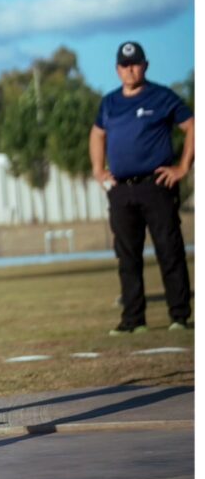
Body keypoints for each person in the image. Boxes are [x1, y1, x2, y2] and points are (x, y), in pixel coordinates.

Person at [89, 41, 194, 336]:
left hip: (156, 185)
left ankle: (179, 316)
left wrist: (183, 168)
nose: (130, 69)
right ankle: (133, 320)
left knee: (169, 250)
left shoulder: (162, 97)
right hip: (122, 190)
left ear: (145, 65)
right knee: (127, 255)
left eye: (135, 63)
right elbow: (97, 134)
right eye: (124, 65)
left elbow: (192, 126)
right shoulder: (109, 103)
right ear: (117, 69)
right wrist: (99, 170)